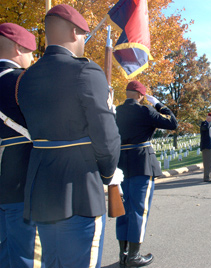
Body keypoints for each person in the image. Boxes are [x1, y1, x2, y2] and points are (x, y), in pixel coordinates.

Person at [17, 5, 121, 268]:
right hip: (79, 186)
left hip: (41, 186)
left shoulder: (27, 78)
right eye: (84, 34)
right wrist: (108, 175)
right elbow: (106, 138)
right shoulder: (86, 72)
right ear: (75, 32)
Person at [115, 81, 178, 267]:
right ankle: (134, 256)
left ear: (127, 93)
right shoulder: (146, 111)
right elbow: (172, 123)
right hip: (142, 163)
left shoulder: (116, 110)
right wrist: (160, 105)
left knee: (123, 210)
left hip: (121, 165)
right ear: (141, 95)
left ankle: (124, 254)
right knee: (138, 210)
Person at [0, 22, 43, 268]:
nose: (32, 58)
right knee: (30, 257)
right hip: (26, 179)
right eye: (30, 52)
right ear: (18, 48)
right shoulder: (23, 81)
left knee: (6, 256)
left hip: (4, 180)